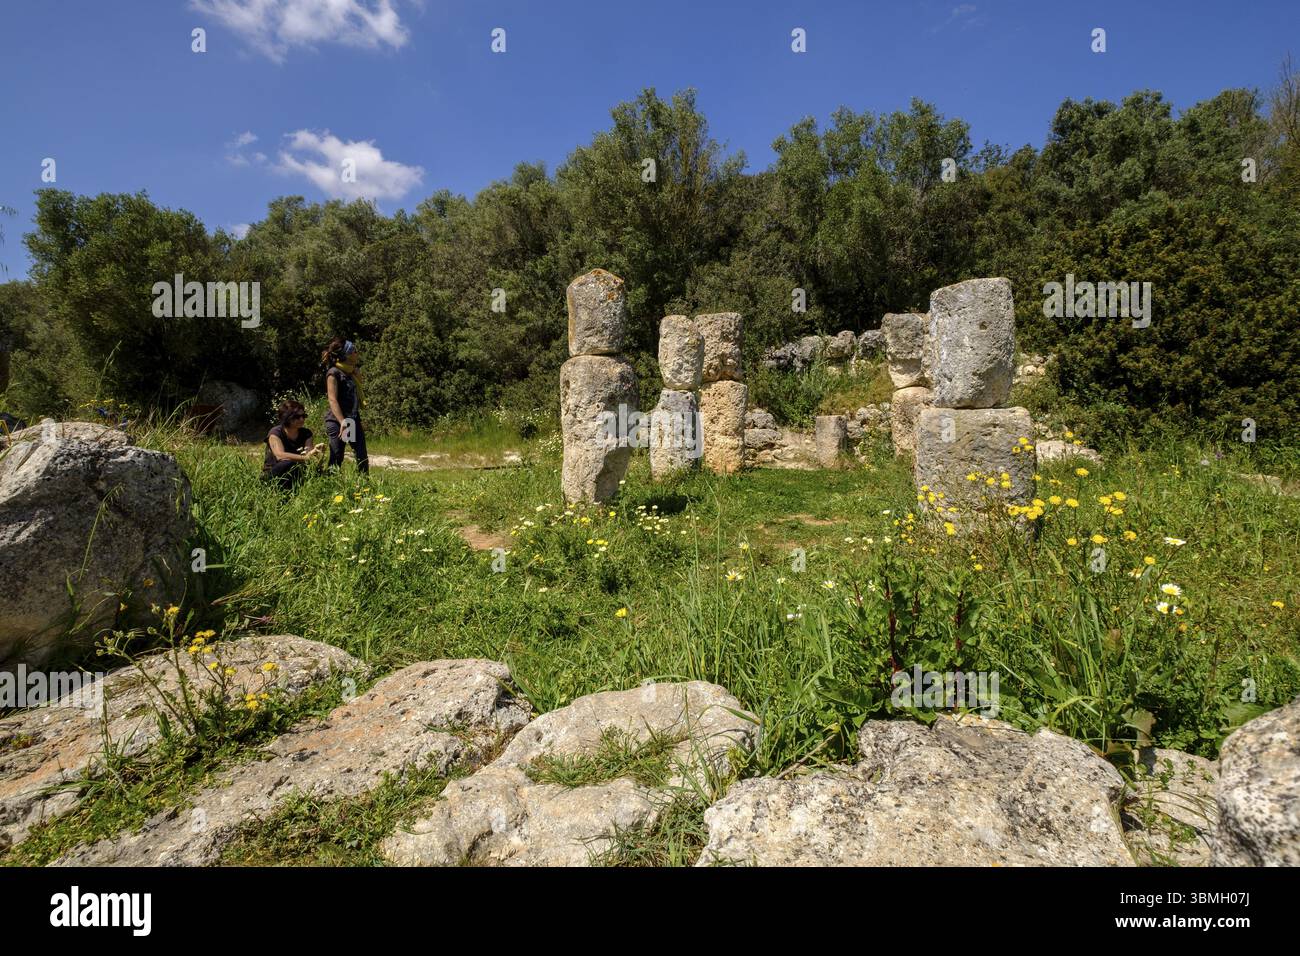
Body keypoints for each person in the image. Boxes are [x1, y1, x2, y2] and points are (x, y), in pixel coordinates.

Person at [321, 337, 369, 474]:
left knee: (361, 456)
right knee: (337, 456)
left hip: (352, 419)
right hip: (338, 421)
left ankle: (364, 486)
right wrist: (342, 422)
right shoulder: (333, 373)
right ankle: (328, 484)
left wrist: (358, 376)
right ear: (346, 354)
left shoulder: (351, 372)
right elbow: (332, 400)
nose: (357, 353)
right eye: (354, 350)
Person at [264, 400, 323, 489]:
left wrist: (316, 452)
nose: (302, 419)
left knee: (317, 470)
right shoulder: (275, 432)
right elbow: (280, 455)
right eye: (297, 417)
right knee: (287, 463)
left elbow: (309, 456)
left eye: (304, 416)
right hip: (275, 472)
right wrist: (306, 458)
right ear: (286, 417)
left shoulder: (306, 433)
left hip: (296, 471)